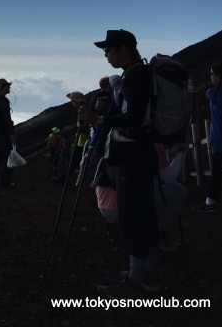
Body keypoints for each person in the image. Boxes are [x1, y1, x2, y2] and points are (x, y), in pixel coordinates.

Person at [79, 29, 160, 297]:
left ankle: (137, 278)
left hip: (133, 154)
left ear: (122, 49)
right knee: (144, 210)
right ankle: (149, 267)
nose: (105, 55)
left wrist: (98, 120)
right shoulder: (139, 71)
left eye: (108, 50)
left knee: (132, 213)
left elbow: (135, 116)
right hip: (142, 152)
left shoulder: (134, 74)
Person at [95, 143, 187, 251]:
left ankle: (119, 226)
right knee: (178, 192)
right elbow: (169, 178)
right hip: (126, 206)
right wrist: (180, 153)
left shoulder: (112, 140)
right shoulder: (153, 145)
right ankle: (156, 233)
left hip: (104, 204)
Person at [192, 61, 222, 213]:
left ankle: (210, 204)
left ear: (219, 76)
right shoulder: (218, 92)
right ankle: (209, 203)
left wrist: (209, 95)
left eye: (213, 73)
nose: (211, 76)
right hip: (219, 141)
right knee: (216, 174)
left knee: (216, 175)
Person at [55, 92, 90, 184]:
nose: (72, 103)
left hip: (85, 142)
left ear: (76, 101)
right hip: (81, 141)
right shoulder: (81, 110)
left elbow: (87, 127)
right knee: (75, 162)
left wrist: (73, 128)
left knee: (77, 162)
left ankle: (63, 180)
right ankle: (63, 179)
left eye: (72, 101)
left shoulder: (84, 111)